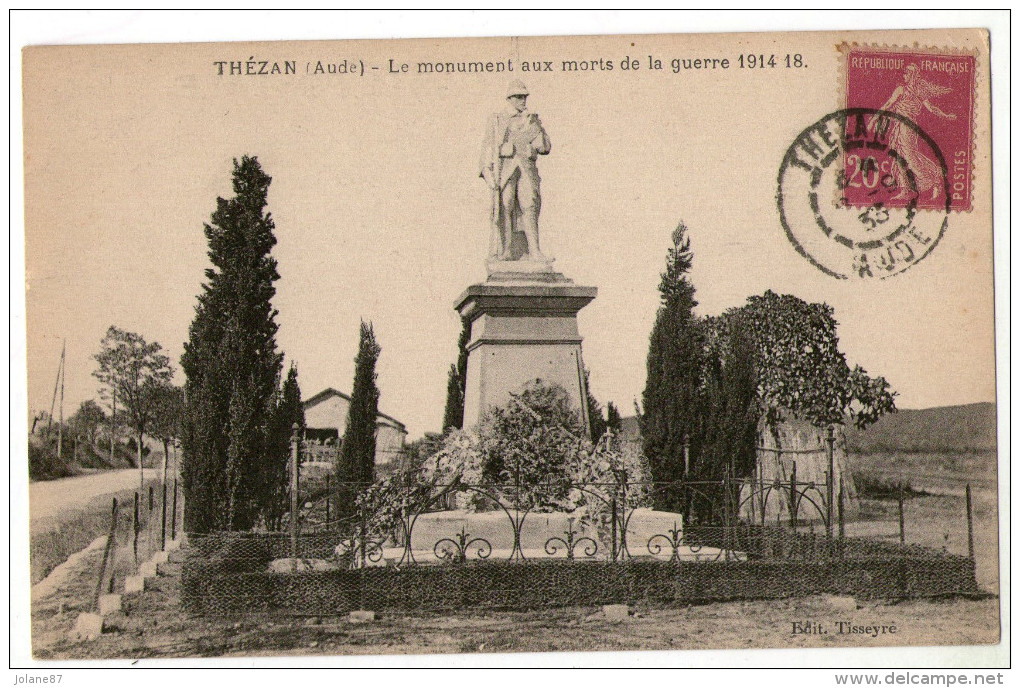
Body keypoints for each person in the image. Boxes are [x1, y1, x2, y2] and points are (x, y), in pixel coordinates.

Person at [479, 80, 552, 261]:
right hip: (506, 171)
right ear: (510, 98)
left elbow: (545, 147)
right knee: (506, 204)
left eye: (524, 97)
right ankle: (506, 250)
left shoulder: (531, 120)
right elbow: (487, 149)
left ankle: (534, 251)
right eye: (519, 97)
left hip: (526, 169)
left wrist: (535, 126)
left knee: (529, 205)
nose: (523, 101)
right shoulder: (498, 120)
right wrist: (489, 175)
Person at [870, 64, 956, 202]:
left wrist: (946, 116)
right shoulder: (900, 90)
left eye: (906, 74)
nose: (904, 76)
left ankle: (934, 179)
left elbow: (932, 108)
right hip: (898, 126)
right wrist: (873, 120)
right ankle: (905, 189)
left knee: (910, 157)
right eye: (904, 73)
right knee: (898, 155)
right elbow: (888, 105)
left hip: (908, 127)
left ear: (913, 76)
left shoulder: (919, 93)